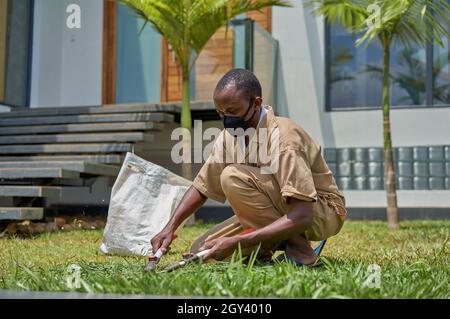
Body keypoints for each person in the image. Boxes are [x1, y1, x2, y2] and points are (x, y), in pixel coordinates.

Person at [151, 68, 347, 266]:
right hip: (283, 210)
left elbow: (303, 215)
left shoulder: (285, 138)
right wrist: (170, 227)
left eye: (232, 111)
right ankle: (264, 250)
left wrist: (239, 240)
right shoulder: (231, 136)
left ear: (256, 103)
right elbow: (202, 187)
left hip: (321, 212)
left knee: (232, 177)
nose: (226, 119)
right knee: (202, 251)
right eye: (221, 113)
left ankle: (301, 251)